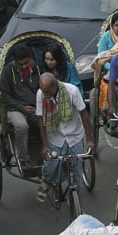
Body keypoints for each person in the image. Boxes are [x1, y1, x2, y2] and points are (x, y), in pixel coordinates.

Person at [37, 73, 92, 202]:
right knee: (51, 166)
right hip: (55, 137)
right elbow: (40, 120)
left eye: (46, 91)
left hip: (74, 136)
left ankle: (75, 196)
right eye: (42, 90)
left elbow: (84, 115)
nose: (43, 93)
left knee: (77, 167)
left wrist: (89, 139)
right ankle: (47, 182)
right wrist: (45, 145)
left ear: (54, 86)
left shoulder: (72, 91)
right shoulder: (40, 94)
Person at [1, 46, 42, 166]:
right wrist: (21, 108)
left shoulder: (37, 69)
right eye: (20, 64)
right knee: (21, 126)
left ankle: (47, 152)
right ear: (15, 62)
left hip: (36, 106)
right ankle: (23, 159)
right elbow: (5, 96)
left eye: (26, 63)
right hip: (16, 108)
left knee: (49, 122)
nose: (24, 66)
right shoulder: (8, 71)